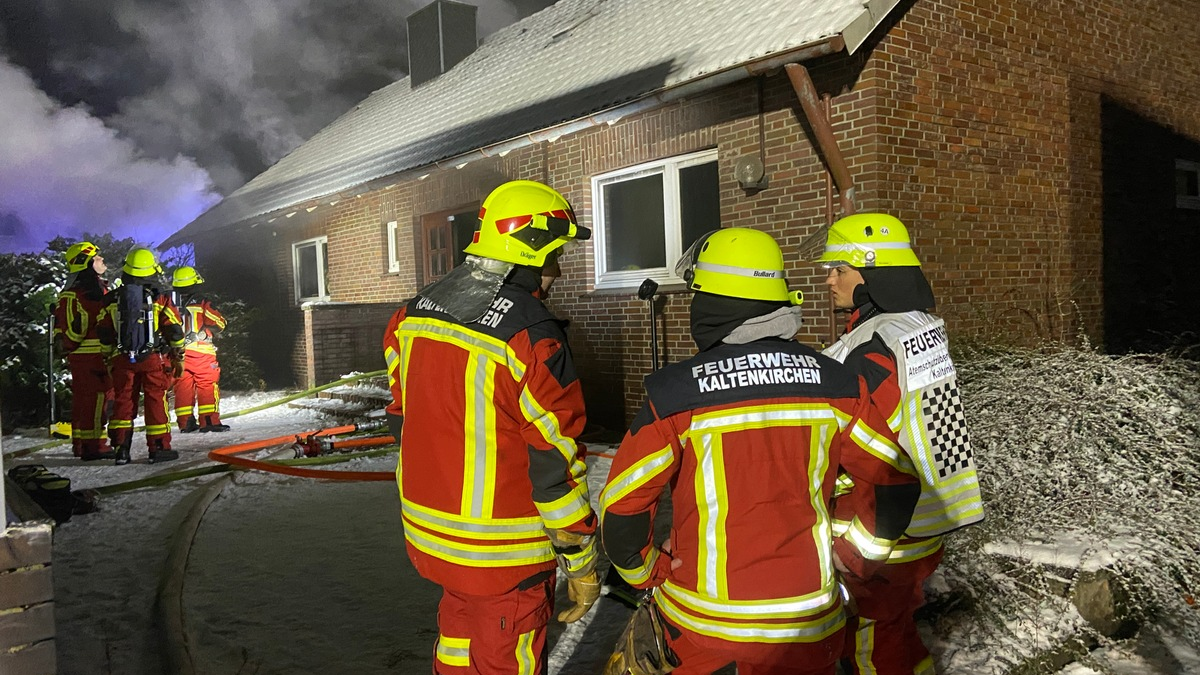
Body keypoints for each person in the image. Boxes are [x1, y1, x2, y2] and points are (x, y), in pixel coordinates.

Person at [599, 227, 920, 675]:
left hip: (704, 629)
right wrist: (852, 559)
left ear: (711, 303)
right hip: (809, 629)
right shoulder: (839, 384)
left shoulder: (674, 394)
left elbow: (622, 512)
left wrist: (650, 574)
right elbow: (895, 485)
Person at [381, 180, 599, 675]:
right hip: (504, 555)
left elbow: (402, 418)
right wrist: (581, 561)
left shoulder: (412, 313)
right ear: (532, 248)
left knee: (457, 647)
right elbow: (555, 465)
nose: (558, 272)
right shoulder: (532, 335)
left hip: (431, 537)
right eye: (555, 256)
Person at [810, 213, 985, 675]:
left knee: (872, 649)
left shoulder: (877, 345)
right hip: (923, 518)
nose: (829, 280)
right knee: (897, 639)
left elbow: (856, 437)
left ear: (873, 273)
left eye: (839, 270)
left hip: (884, 531)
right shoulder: (913, 327)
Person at [98, 248, 186, 465]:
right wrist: (179, 354)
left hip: (121, 359)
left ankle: (121, 449)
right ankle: (158, 448)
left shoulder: (112, 299)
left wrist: (109, 357)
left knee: (123, 401)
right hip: (152, 359)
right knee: (155, 400)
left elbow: (104, 332)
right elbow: (174, 330)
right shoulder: (161, 298)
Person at [53, 241, 115, 460]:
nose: (102, 261)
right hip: (94, 355)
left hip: (80, 356)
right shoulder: (89, 292)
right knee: (97, 400)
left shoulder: (74, 291)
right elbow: (86, 323)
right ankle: (95, 446)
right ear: (86, 263)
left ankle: (81, 444)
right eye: (97, 258)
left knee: (83, 400)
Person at [170, 266, 230, 432]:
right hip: (200, 352)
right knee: (206, 384)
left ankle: (185, 423)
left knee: (182, 386)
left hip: (177, 353)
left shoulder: (169, 303)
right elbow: (219, 323)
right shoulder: (202, 302)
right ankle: (209, 422)